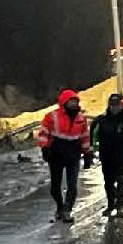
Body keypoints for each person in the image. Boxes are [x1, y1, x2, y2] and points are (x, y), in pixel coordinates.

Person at [35, 89, 92, 223]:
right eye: (71, 101)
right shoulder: (52, 116)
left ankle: (67, 210)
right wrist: (44, 148)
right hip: (56, 154)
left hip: (73, 153)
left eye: (75, 101)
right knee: (55, 186)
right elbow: (43, 133)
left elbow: (84, 136)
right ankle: (60, 207)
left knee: (73, 185)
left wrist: (87, 152)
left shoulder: (81, 118)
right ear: (64, 102)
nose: (73, 104)